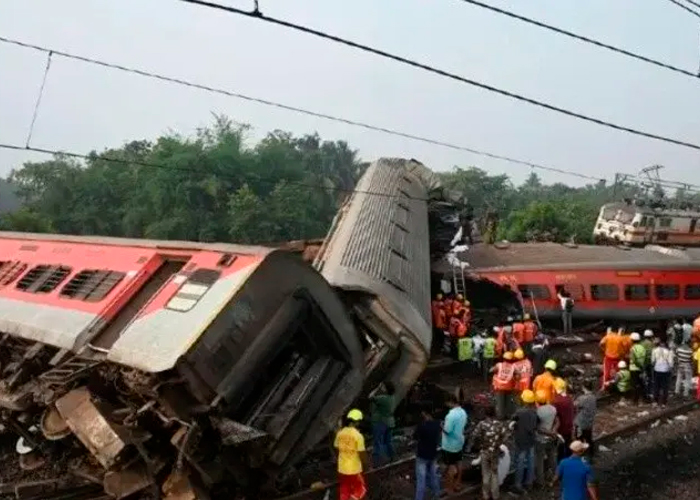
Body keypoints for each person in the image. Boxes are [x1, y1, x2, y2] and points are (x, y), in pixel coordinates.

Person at [467, 405, 511, 500]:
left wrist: (476, 445)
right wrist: (499, 443)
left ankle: (485, 495)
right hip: (495, 453)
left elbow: (474, 436)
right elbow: (506, 437)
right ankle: (495, 495)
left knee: (485, 474)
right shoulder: (499, 424)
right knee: (494, 474)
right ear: (494, 413)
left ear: (485, 413)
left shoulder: (481, 424)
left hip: (484, 452)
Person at [335, 409, 369, 500]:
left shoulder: (340, 433)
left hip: (342, 468)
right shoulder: (358, 436)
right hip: (354, 469)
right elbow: (362, 454)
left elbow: (336, 448)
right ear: (357, 422)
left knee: (344, 490)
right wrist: (366, 466)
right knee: (360, 489)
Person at [510, 390, 538, 495]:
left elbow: (512, 419)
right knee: (531, 461)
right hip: (531, 440)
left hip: (521, 441)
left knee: (520, 462)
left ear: (524, 400)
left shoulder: (519, 412)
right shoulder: (534, 412)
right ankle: (529, 482)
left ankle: (518, 484)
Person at [442, 395, 468, 494]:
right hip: (460, 442)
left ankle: (450, 489)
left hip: (449, 445)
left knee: (451, 467)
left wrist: (441, 426)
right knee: (459, 463)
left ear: (450, 402)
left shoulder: (450, 415)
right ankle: (458, 484)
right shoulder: (463, 412)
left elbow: (447, 430)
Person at [413, 407, 441, 500]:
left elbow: (415, 436)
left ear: (425, 414)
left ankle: (419, 498)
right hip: (433, 454)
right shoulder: (437, 424)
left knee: (421, 480)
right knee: (434, 476)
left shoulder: (422, 425)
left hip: (422, 455)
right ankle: (436, 495)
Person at [534, 389, 559, 488]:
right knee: (552, 458)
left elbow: (537, 428)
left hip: (541, 440)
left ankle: (540, 482)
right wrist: (554, 430)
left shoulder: (538, 412)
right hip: (552, 438)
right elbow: (557, 421)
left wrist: (548, 433)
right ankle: (555, 477)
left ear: (537, 401)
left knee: (539, 461)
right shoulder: (553, 408)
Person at [370, 382, 396, 465]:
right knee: (388, 441)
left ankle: (378, 461)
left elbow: (370, 397)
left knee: (378, 442)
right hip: (390, 422)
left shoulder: (382, 398)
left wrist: (377, 388)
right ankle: (392, 457)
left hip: (380, 422)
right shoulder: (392, 398)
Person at [573, 380, 597, 462]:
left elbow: (574, 404)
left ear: (583, 387)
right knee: (589, 439)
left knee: (579, 439)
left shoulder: (582, 398)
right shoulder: (593, 397)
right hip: (589, 422)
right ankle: (590, 456)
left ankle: (579, 457)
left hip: (581, 422)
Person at [553, 378, 574, 460]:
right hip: (569, 426)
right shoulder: (569, 398)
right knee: (568, 445)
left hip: (561, 428)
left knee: (560, 449)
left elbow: (555, 416)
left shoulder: (556, 401)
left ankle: (561, 464)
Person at [491, 352, 516, 420]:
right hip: (509, 387)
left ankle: (500, 416)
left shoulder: (499, 365)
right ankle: (508, 415)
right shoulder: (513, 366)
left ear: (503, 358)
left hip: (499, 387)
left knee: (500, 402)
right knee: (508, 401)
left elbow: (491, 370)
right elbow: (517, 375)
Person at [652, 339, 674, 406]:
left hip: (657, 369)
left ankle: (655, 401)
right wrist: (670, 370)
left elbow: (652, 361)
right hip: (665, 370)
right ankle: (664, 402)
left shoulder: (654, 350)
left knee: (656, 386)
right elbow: (671, 363)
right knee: (665, 387)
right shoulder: (668, 352)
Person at [628, 332, 647, 405]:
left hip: (634, 368)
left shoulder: (633, 348)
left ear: (632, 340)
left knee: (634, 385)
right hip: (641, 368)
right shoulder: (642, 347)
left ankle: (635, 400)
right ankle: (644, 398)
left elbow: (633, 358)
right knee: (641, 383)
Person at [642, 330, 655, 399]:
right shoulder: (652, 344)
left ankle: (644, 391)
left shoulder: (642, 343)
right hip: (650, 363)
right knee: (650, 378)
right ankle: (650, 391)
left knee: (644, 377)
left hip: (643, 362)